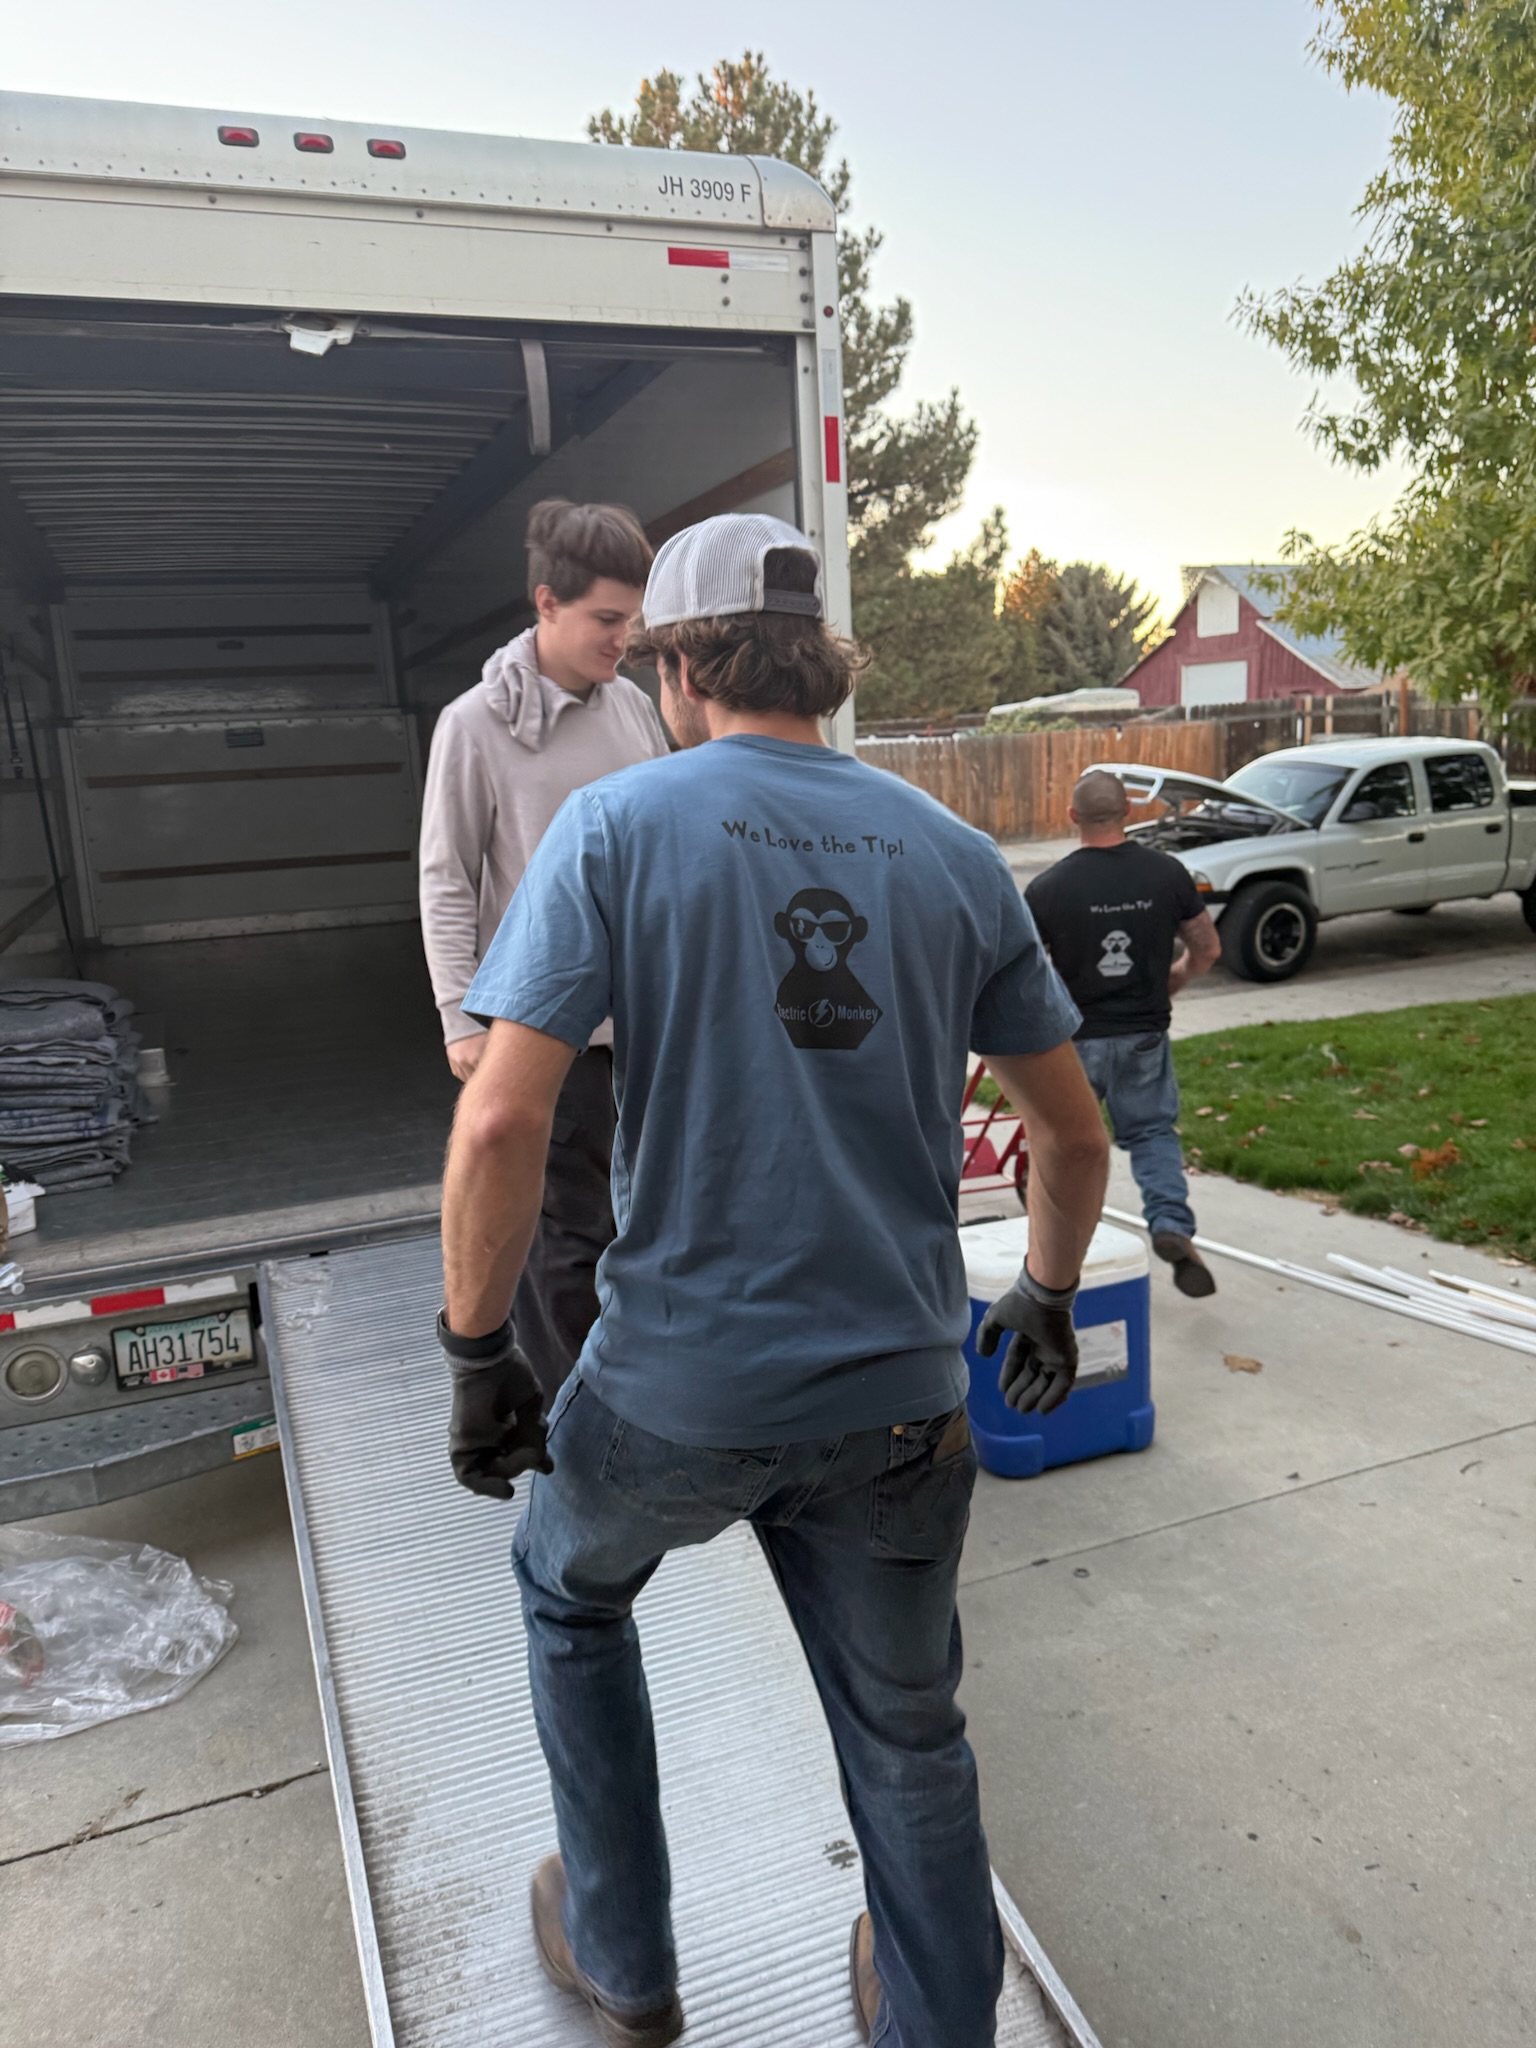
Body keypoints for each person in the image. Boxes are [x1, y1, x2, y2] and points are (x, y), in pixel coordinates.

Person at [435, 512, 1110, 2048]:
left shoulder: (618, 828)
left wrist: (478, 1348)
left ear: (678, 665)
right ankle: (939, 2026)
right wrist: (1049, 1297)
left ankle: (626, 1961)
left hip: (676, 1389)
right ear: (828, 667)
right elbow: (1073, 1137)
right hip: (897, 1400)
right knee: (908, 1731)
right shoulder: (952, 852)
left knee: (568, 1584)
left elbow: (501, 1115)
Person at [419, 498, 669, 1400]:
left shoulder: (633, 714)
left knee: (637, 1217)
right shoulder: (475, 725)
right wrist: (461, 1018)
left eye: (634, 622)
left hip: (642, 1021)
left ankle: (638, 1385)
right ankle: (579, 1413)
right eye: (608, 620)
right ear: (547, 603)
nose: (623, 639)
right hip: (539, 1025)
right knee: (559, 1235)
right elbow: (447, 877)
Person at [1024, 767, 1223, 1298]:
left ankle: (1058, 1249)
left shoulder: (1048, 889)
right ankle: (1171, 1226)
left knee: (1067, 1145)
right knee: (1152, 1133)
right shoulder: (1166, 874)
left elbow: (1023, 972)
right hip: (1143, 1037)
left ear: (1072, 817)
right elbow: (1207, 948)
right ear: (1128, 813)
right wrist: (1176, 978)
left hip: (1075, 1040)